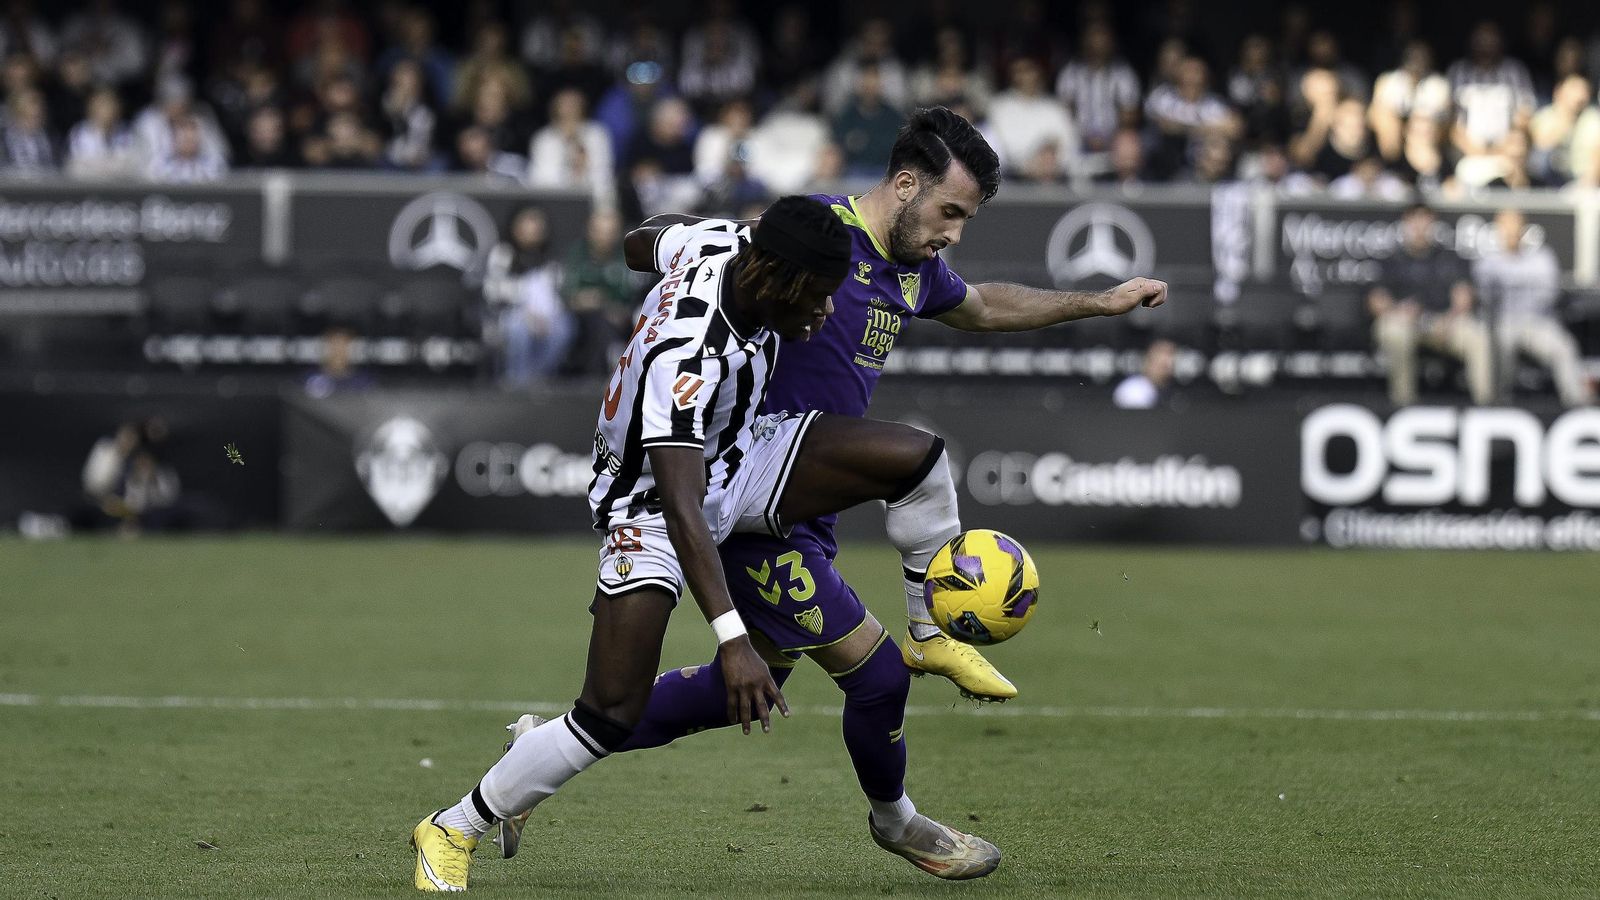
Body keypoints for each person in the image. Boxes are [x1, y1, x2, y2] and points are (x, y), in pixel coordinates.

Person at [411, 196, 1004, 890]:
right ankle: (455, 825)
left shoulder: (734, 245)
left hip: (740, 453)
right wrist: (731, 639)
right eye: (816, 301)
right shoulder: (688, 358)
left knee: (917, 458)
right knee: (609, 711)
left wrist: (672, 233)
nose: (820, 319)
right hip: (652, 507)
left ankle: (928, 628)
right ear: (779, 282)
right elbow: (685, 508)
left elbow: (640, 244)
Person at [1368, 203, 1492, 406]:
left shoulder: (1448, 257)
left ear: (1433, 223)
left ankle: (1486, 407)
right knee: (1394, 331)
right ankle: (1403, 404)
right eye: (1414, 220)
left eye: (1425, 219)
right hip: (1405, 322)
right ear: (1405, 223)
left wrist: (1450, 318)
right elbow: (1376, 300)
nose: (1419, 226)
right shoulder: (1391, 259)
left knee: (1479, 336)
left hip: (1443, 322)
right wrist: (1397, 311)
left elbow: (1464, 296)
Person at [1471, 209, 1592, 407]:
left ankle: (1576, 404)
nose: (1511, 232)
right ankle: (1497, 404)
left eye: (1515, 226)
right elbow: (1484, 301)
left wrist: (1513, 287)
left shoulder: (1542, 257)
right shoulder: (1487, 262)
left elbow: (1548, 295)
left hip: (1537, 321)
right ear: (1498, 230)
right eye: (1506, 226)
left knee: (1563, 347)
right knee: (1498, 346)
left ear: (1523, 229)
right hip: (1502, 322)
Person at [1113, 338, 1177, 409]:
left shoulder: (1174, 393)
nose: (1168, 362)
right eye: (1161, 365)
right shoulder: (1133, 390)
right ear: (1148, 360)